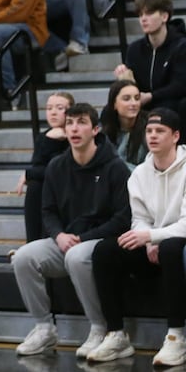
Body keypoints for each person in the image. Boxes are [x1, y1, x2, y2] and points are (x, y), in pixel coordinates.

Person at [12, 103, 131, 359]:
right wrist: (59, 235)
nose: (74, 128)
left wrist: (83, 239)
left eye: (81, 122)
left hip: (100, 240)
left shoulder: (114, 167)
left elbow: (123, 218)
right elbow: (48, 211)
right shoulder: (56, 165)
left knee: (76, 257)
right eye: (70, 123)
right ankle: (44, 328)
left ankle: (101, 328)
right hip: (66, 240)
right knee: (23, 257)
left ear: (96, 129)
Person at [88, 109, 186, 365]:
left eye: (160, 131)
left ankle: (176, 336)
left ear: (175, 136)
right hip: (154, 242)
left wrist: (153, 237)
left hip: (178, 243)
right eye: (149, 131)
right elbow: (139, 217)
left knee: (172, 248)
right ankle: (116, 334)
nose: (153, 136)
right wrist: (148, 237)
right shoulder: (140, 174)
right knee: (105, 251)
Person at [113, 0, 186, 128]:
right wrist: (123, 76)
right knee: (110, 109)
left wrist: (151, 96)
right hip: (142, 102)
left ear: (164, 16)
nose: (143, 19)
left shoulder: (181, 46)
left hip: (171, 102)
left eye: (149, 13)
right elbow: (131, 86)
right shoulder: (134, 48)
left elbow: (180, 85)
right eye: (140, 15)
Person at [15, 91, 73, 242]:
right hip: (49, 186)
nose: (53, 112)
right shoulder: (44, 136)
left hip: (73, 185)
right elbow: (39, 167)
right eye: (49, 108)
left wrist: (29, 174)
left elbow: (61, 170)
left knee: (37, 183)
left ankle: (40, 242)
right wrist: (50, 139)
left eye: (59, 108)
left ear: (71, 111)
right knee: (35, 186)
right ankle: (32, 243)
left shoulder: (75, 135)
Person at [100, 79, 149, 169]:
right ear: (114, 103)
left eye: (137, 98)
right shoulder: (104, 132)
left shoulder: (149, 128)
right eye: (126, 99)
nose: (133, 103)